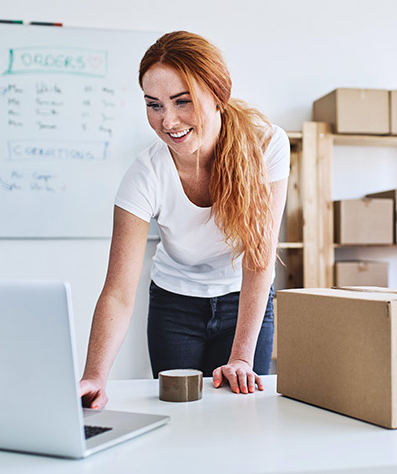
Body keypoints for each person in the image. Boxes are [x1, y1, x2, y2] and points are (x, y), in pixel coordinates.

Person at [79, 31, 290, 408]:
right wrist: (94, 375)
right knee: (179, 415)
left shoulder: (266, 145)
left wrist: (241, 356)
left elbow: (259, 259)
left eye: (182, 101)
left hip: (243, 301)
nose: (168, 121)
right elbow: (118, 292)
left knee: (241, 416)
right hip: (174, 305)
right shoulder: (146, 173)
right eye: (154, 105)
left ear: (217, 94)